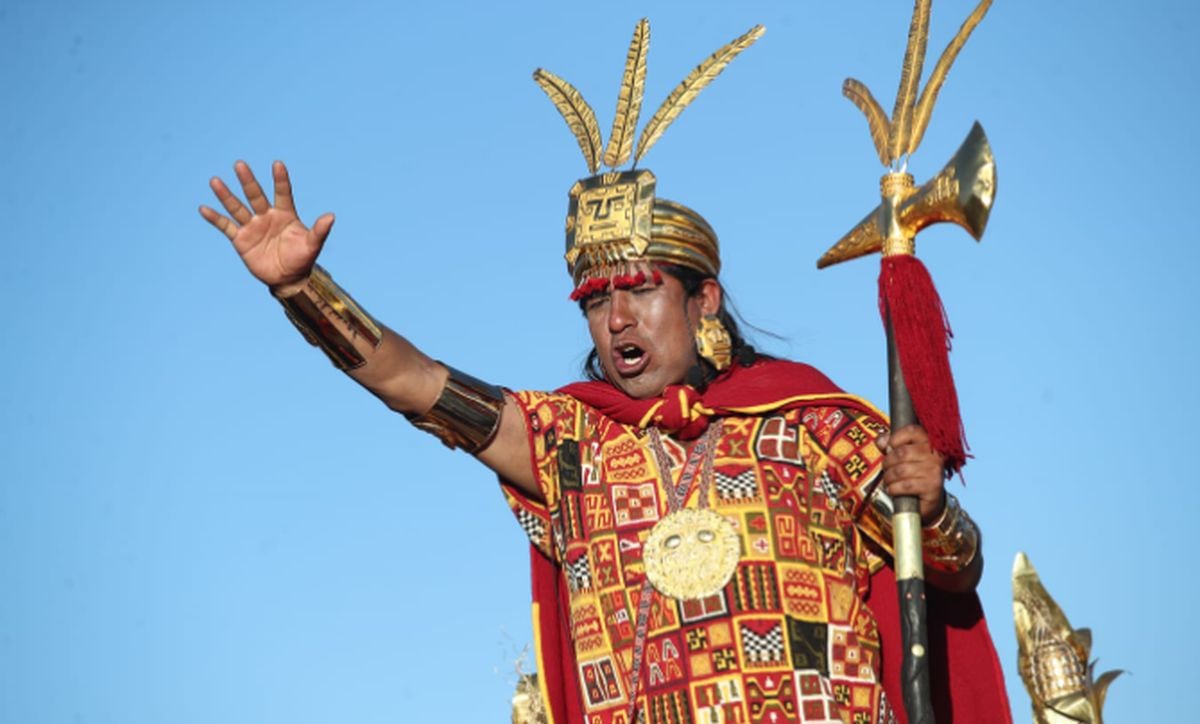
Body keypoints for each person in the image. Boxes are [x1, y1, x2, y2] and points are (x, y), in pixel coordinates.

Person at [199, 22, 1009, 724]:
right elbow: (413, 384)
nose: (616, 318)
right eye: (595, 301)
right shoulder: (569, 444)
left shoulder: (817, 425)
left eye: (640, 291)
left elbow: (951, 569)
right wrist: (304, 289)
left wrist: (935, 509)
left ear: (705, 301)